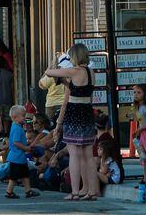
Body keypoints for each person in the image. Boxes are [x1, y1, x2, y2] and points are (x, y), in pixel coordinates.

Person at [46, 43, 100, 201]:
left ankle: (75, 192)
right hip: (87, 113)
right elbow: (79, 89)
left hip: (74, 113)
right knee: (88, 155)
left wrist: (57, 61)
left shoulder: (74, 70)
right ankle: (91, 191)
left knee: (74, 155)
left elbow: (48, 72)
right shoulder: (91, 72)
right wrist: (65, 82)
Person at [5, 105, 40, 199]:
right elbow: (16, 143)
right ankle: (9, 191)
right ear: (15, 117)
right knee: (14, 176)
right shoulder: (17, 129)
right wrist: (26, 148)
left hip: (19, 157)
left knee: (25, 174)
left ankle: (28, 191)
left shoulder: (16, 126)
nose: (24, 118)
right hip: (17, 157)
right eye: (23, 116)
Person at [38, 54, 66, 120]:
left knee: (50, 125)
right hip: (64, 103)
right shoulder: (68, 73)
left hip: (51, 104)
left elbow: (41, 85)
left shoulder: (52, 74)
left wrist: (49, 68)